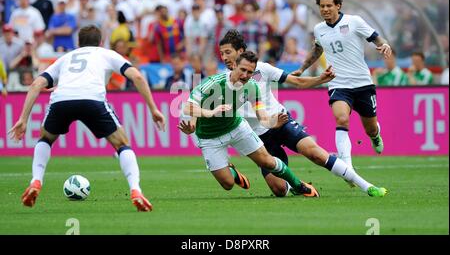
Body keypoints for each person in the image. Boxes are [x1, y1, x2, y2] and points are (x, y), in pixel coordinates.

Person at [181, 29, 387, 198]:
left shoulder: (261, 70)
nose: (224, 58)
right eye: (222, 54)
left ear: (241, 51)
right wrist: (193, 122)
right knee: (279, 190)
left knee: (314, 153)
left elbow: (295, 82)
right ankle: (291, 184)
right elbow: (202, 103)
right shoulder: (222, 80)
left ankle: (364, 184)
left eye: (228, 52)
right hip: (260, 135)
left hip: (280, 121)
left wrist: (319, 80)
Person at [8, 25, 166, 212]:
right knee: (122, 144)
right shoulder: (106, 54)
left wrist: (23, 119)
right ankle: (136, 190)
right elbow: (137, 77)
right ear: (100, 42)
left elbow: (36, 84)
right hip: (92, 99)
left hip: (61, 100)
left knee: (45, 139)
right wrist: (153, 108)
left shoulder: (65, 58)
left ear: (78, 43)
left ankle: (36, 180)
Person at [181, 51, 320, 197]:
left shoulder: (252, 87)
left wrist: (272, 122)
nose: (245, 75)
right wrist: (211, 112)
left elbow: (262, 117)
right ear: (234, 65)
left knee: (267, 161)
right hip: (209, 137)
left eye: (250, 72)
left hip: (236, 127)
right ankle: (233, 172)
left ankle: (298, 186)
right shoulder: (213, 83)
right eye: (242, 70)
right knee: (227, 184)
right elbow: (187, 107)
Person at [293, 0, 392, 173]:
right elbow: (317, 50)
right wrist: (302, 68)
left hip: (362, 83)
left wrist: (384, 45)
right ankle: (347, 166)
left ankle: (375, 135)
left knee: (369, 129)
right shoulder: (319, 29)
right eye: (322, 6)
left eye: (329, 5)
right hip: (339, 83)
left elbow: (377, 38)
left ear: (338, 6)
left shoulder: (354, 21)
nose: (325, 9)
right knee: (341, 119)